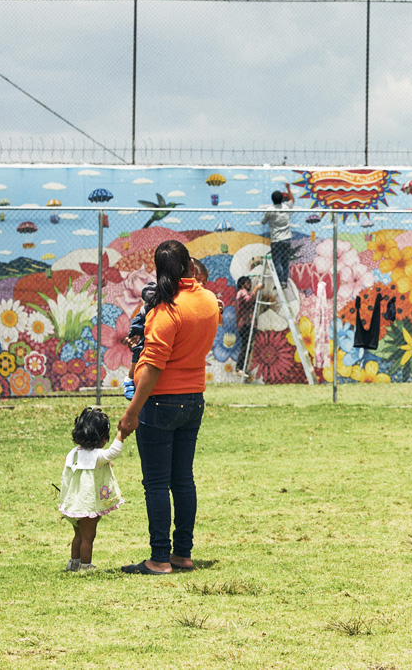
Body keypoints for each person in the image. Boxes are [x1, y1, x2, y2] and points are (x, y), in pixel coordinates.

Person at [118, 240, 220, 575]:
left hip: (161, 403)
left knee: (157, 483)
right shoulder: (207, 301)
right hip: (194, 400)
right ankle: (183, 554)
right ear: (190, 265)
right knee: (183, 479)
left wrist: (132, 412)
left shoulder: (165, 311)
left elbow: (152, 368)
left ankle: (160, 558)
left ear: (160, 272)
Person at [123, 258, 216, 400]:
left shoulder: (201, 300)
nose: (201, 285)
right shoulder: (170, 293)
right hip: (143, 322)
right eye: (199, 280)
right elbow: (147, 292)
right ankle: (130, 379)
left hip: (180, 389)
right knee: (140, 349)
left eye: (204, 282)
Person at [58, 407, 125, 572]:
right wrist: (122, 433)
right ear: (102, 438)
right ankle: (86, 566)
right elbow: (115, 451)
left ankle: (73, 563)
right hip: (87, 506)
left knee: (78, 536)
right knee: (88, 537)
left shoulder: (73, 453)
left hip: (73, 505)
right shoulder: (97, 456)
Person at [261, 184, 295, 301]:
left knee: (277, 262)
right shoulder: (286, 207)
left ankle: (280, 281)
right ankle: (284, 281)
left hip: (276, 240)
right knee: (285, 261)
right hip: (286, 239)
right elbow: (292, 200)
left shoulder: (270, 210)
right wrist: (288, 188)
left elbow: (263, 221)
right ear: (282, 199)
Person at [233, 275, 262, 375]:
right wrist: (256, 289)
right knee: (246, 346)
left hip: (245, 323)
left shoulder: (242, 292)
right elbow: (249, 301)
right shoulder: (242, 292)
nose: (249, 284)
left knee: (247, 346)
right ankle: (239, 368)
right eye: (247, 282)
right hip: (245, 323)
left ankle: (241, 368)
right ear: (242, 284)